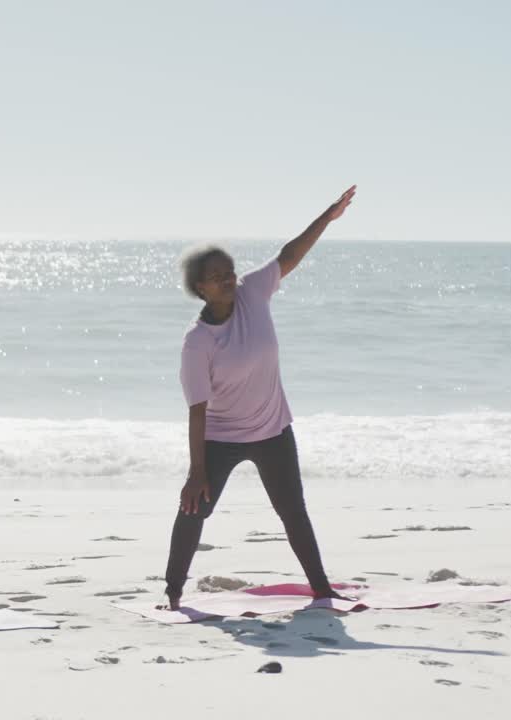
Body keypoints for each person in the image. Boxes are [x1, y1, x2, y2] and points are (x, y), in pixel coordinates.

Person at [161, 186, 358, 610]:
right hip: (220, 438)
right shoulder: (198, 343)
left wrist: (327, 216)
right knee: (194, 510)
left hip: (272, 431)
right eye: (217, 276)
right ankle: (173, 593)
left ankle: (322, 591)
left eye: (229, 271)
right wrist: (198, 471)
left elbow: (289, 255)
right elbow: (196, 412)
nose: (229, 279)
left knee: (294, 512)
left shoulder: (252, 292)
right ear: (200, 288)